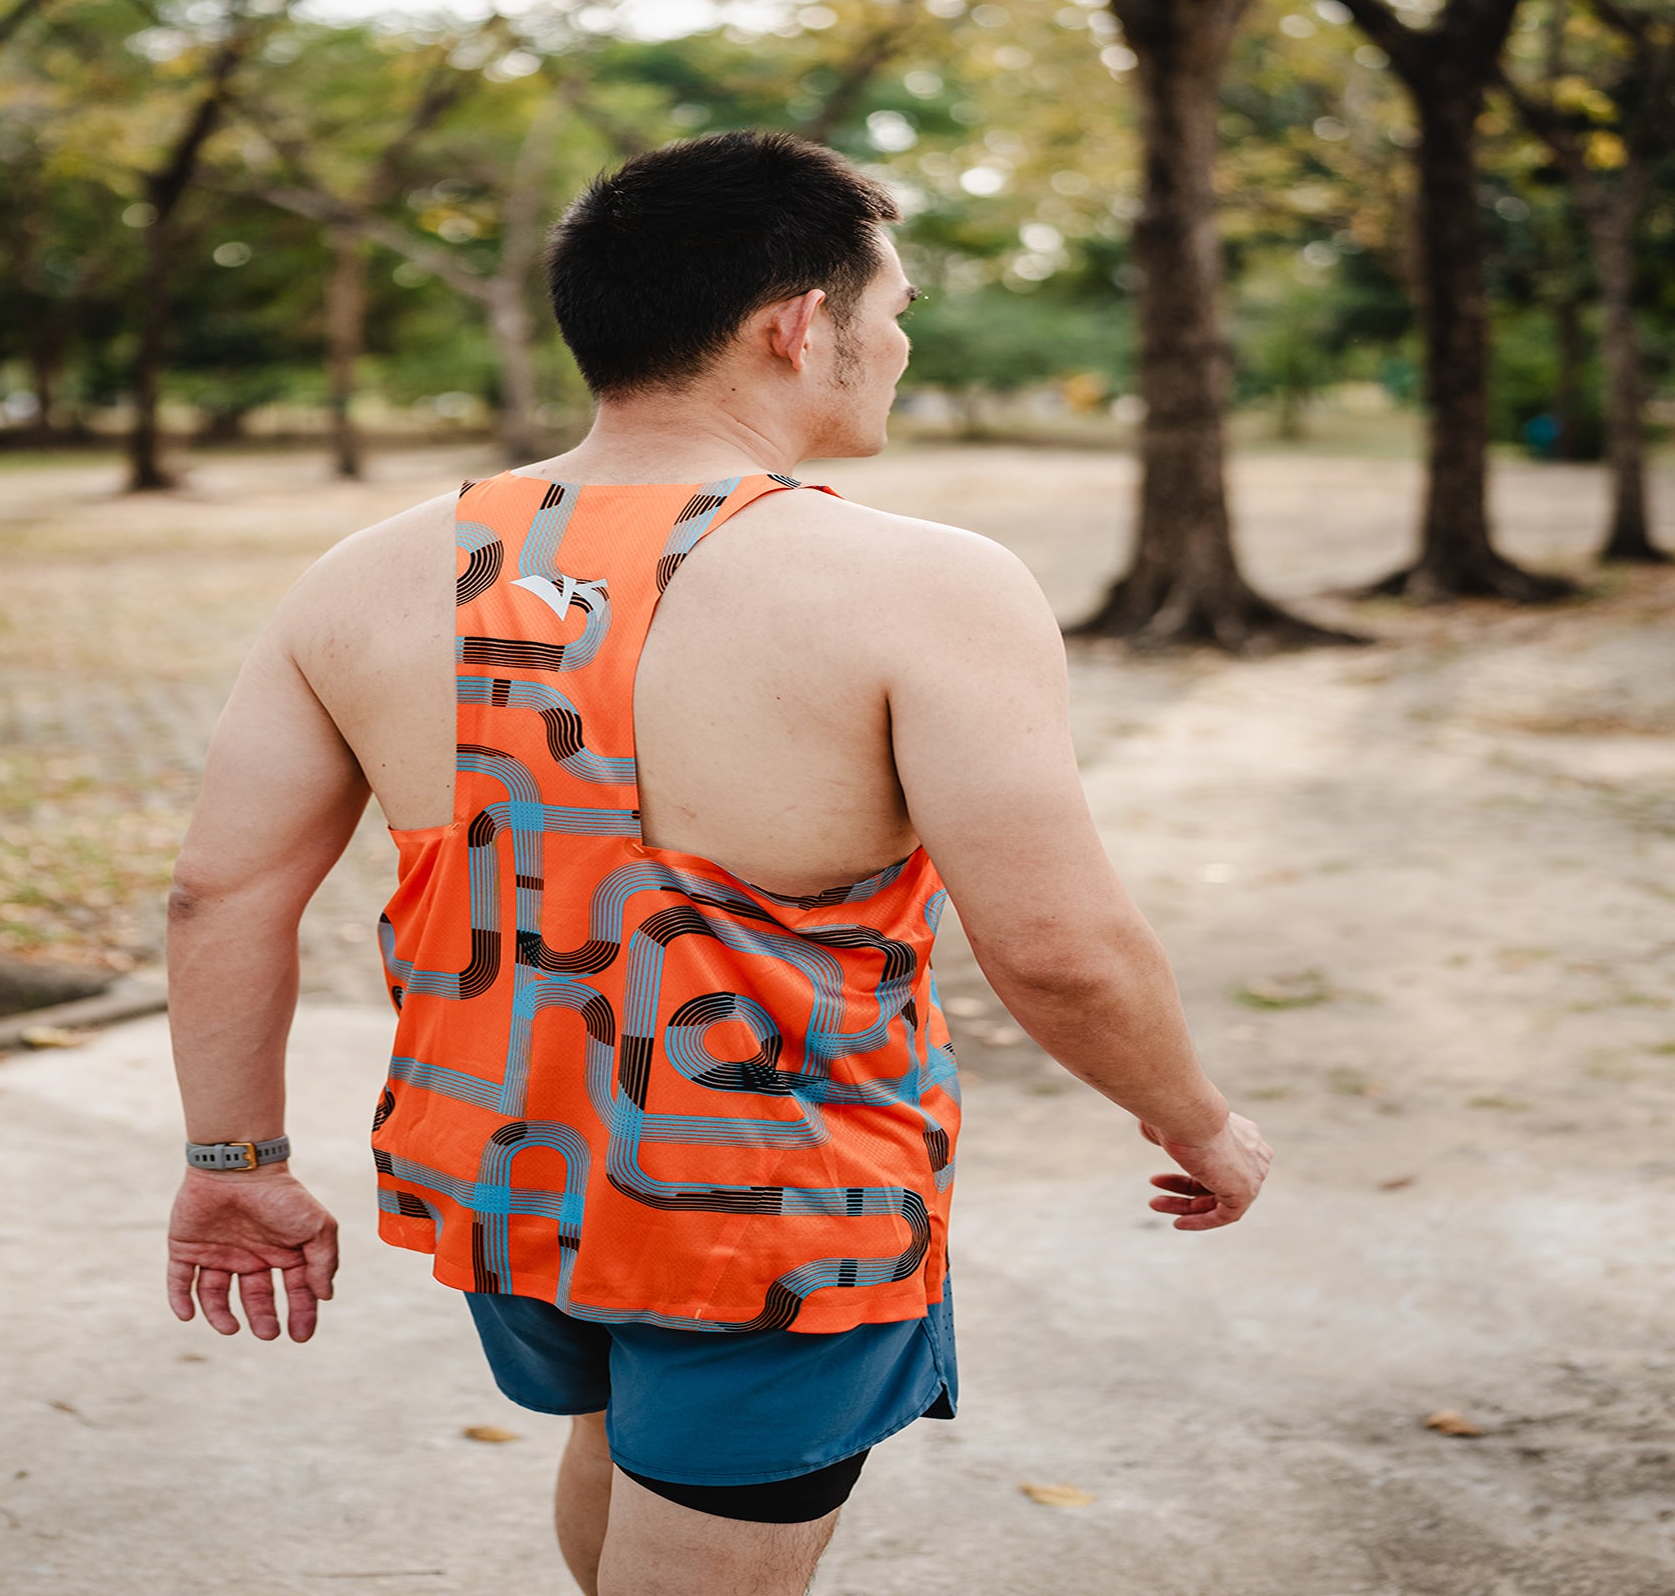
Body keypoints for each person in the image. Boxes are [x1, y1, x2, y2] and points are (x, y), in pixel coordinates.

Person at [163, 130, 1272, 1596]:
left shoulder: (369, 571)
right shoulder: (921, 585)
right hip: (770, 1207)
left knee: (626, 1449)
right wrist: (1194, 1118)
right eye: (893, 303)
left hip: (515, 1177)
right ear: (800, 325)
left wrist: (231, 1164)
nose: (903, 336)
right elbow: (1058, 947)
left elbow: (219, 892)